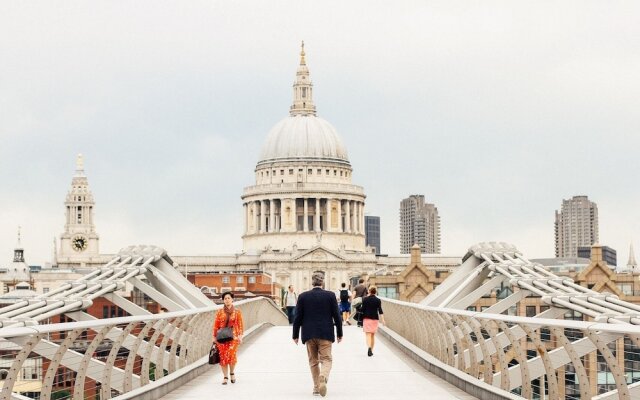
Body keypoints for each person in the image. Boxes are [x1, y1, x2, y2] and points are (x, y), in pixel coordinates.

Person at [292, 272, 343, 397]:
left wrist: (295, 334)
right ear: (322, 282)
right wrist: (340, 333)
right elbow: (337, 316)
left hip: (309, 334)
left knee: (313, 361)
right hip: (326, 333)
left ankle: (316, 387)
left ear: (312, 282)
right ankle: (323, 377)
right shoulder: (330, 296)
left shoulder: (303, 296)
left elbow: (297, 317)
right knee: (326, 359)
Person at [213, 292, 244, 384]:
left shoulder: (237, 311)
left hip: (233, 337)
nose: (227, 300)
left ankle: (232, 372)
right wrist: (214, 337)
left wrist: (240, 336)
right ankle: (225, 377)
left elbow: (240, 324)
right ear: (223, 300)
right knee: (223, 357)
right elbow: (216, 325)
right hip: (221, 337)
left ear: (232, 299)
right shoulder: (219, 312)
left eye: (228, 298)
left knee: (231, 355)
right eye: (225, 298)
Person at [360, 286, 385, 357]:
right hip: (375, 319)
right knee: (373, 335)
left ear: (369, 291)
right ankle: (371, 350)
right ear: (375, 292)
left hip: (366, 318)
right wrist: (383, 320)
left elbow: (362, 309)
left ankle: (369, 348)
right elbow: (380, 310)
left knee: (368, 334)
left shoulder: (365, 299)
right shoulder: (378, 300)